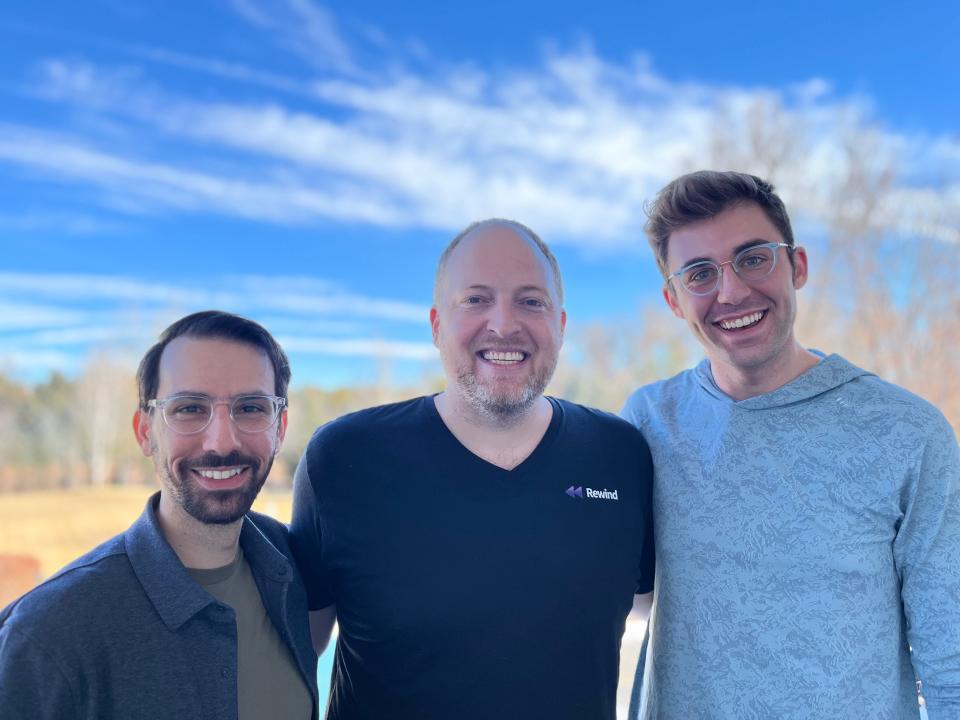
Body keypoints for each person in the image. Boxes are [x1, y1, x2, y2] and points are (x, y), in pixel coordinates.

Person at [623, 170, 960, 719]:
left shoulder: (907, 433)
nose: (731, 292)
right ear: (673, 299)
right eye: (700, 274)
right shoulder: (648, 422)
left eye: (754, 258)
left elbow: (951, 659)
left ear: (796, 266)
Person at [291, 219, 655, 720]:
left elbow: (667, 612)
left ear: (562, 325)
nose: (503, 324)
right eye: (476, 299)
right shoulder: (345, 458)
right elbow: (294, 662)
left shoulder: (621, 455)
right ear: (437, 325)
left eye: (531, 301)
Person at [0, 310, 318, 720]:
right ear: (145, 432)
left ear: (280, 428)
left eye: (251, 407)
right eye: (189, 408)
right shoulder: (48, 634)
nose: (222, 441)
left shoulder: (291, 570)